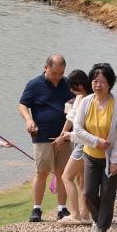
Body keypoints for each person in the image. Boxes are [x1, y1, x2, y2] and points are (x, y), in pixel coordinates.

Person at [70, 63, 117, 232]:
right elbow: (77, 129)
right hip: (90, 155)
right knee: (88, 193)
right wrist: (96, 141)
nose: (98, 85)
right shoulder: (86, 102)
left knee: (107, 195)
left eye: (102, 82)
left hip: (111, 158)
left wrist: (115, 161)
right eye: (95, 81)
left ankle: (102, 230)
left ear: (109, 84)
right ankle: (97, 221)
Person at [17, 54, 72, 222]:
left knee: (62, 172)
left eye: (61, 73)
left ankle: (62, 208)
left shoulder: (68, 84)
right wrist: (28, 120)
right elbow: (22, 104)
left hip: (65, 136)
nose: (57, 77)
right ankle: (37, 209)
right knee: (42, 172)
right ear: (46, 68)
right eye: (54, 73)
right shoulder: (34, 84)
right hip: (42, 135)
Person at [59, 70, 94, 226]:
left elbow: (84, 127)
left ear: (79, 85)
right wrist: (62, 135)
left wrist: (68, 136)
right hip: (81, 141)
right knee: (82, 179)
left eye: (72, 87)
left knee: (67, 177)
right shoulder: (81, 97)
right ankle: (85, 214)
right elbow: (71, 117)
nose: (70, 90)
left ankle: (75, 214)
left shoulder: (87, 100)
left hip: (83, 143)